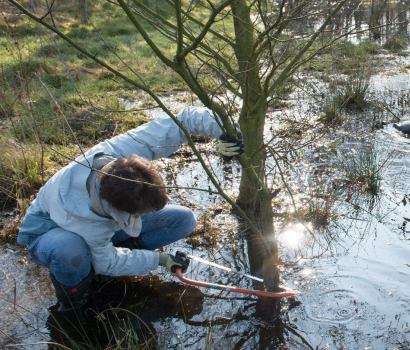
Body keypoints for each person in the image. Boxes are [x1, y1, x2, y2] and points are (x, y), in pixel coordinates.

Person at [16, 106, 245, 318]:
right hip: (54, 234)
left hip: (101, 230)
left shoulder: (120, 154)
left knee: (183, 220)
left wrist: (226, 131)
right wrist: (159, 259)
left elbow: (182, 120)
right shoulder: (84, 217)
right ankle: (75, 298)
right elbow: (108, 262)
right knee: (71, 251)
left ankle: (106, 259)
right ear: (118, 211)